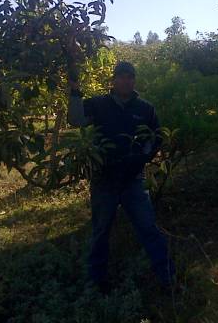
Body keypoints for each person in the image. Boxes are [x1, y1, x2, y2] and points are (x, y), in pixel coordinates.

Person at [67, 60, 176, 296]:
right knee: (101, 231)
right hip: (104, 180)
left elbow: (156, 136)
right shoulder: (98, 104)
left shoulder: (145, 108)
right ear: (113, 81)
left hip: (132, 181)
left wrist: (144, 156)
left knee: (148, 228)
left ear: (134, 80)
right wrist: (75, 91)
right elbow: (75, 120)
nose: (126, 81)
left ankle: (169, 278)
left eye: (130, 77)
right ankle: (96, 282)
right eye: (121, 77)